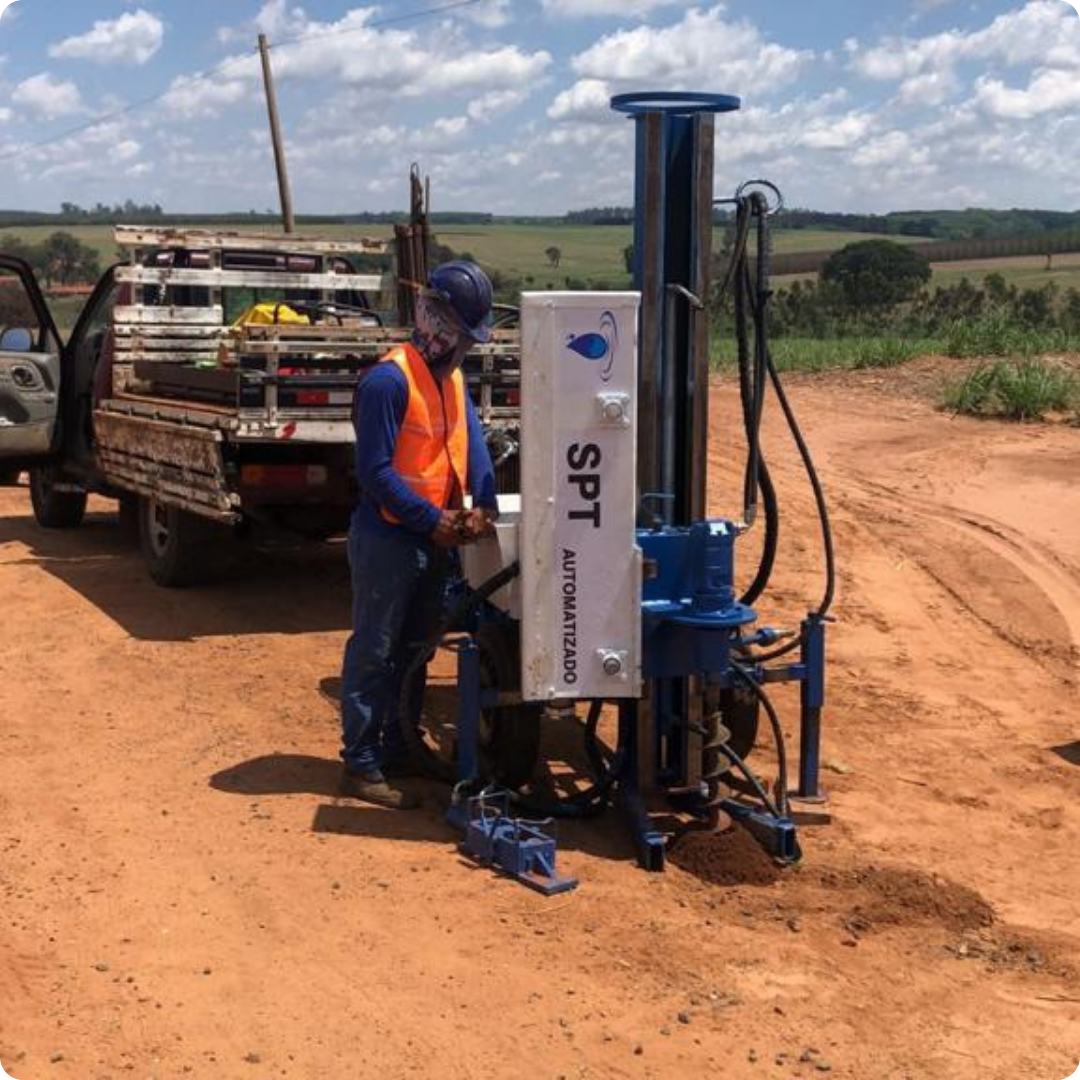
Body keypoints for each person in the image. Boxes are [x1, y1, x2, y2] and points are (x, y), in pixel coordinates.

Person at [339, 260, 499, 809]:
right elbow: (375, 473)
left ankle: (399, 745)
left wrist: (482, 505)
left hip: (433, 541)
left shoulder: (451, 380)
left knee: (415, 650)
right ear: (435, 322)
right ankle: (360, 763)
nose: (465, 350)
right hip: (389, 540)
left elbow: (472, 448)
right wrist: (433, 521)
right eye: (461, 336)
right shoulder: (388, 381)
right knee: (375, 649)